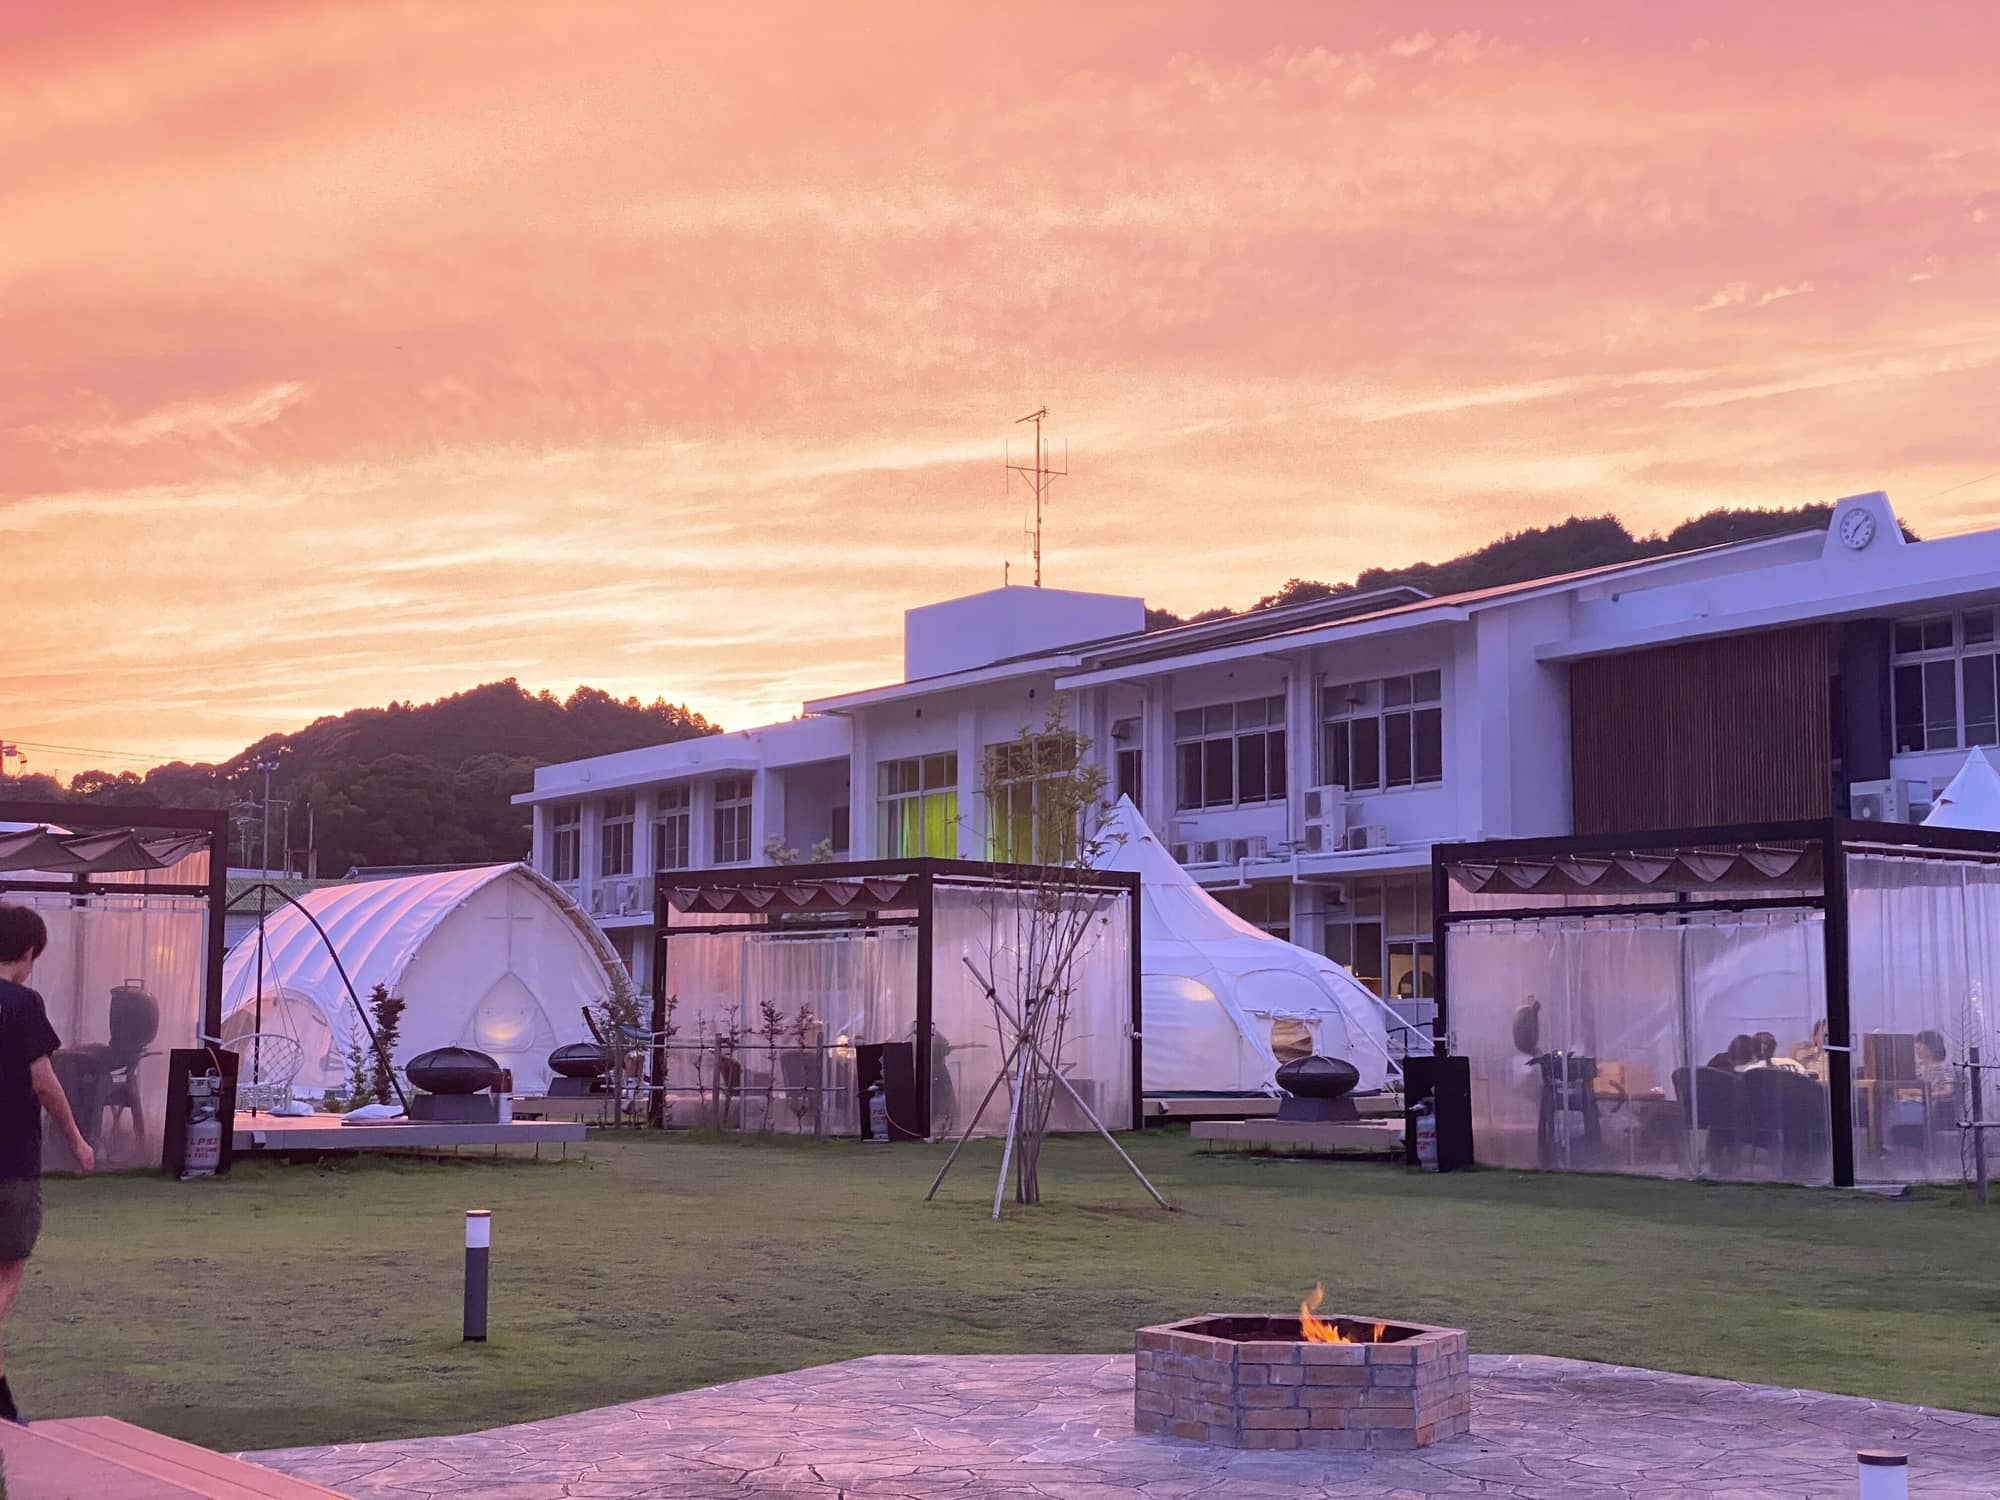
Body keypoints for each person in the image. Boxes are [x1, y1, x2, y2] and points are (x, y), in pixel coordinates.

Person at [1, 902, 95, 1426]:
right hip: (10, 1160)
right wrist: (77, 1140)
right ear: (29, 951)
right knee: (8, 1265)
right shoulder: (22, 1003)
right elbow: (44, 1083)